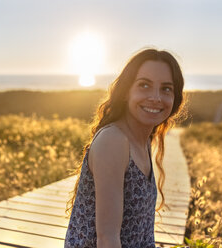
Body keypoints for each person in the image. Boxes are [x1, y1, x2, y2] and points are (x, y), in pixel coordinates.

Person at [64, 48, 186, 248]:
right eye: (144, 85)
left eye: (166, 88)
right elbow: (107, 239)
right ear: (125, 92)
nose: (155, 97)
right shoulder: (113, 141)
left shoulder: (143, 139)